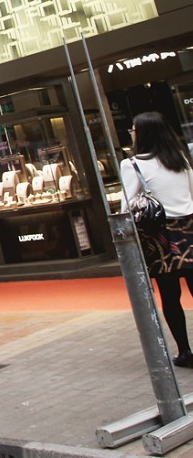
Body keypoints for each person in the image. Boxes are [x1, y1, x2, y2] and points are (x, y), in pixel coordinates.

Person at [121, 111, 193, 367]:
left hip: (161, 236)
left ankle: (185, 351)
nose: (131, 132)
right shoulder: (180, 159)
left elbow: (126, 207)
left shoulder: (132, 165)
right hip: (190, 228)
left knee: (170, 296)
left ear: (142, 133)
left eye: (133, 128)